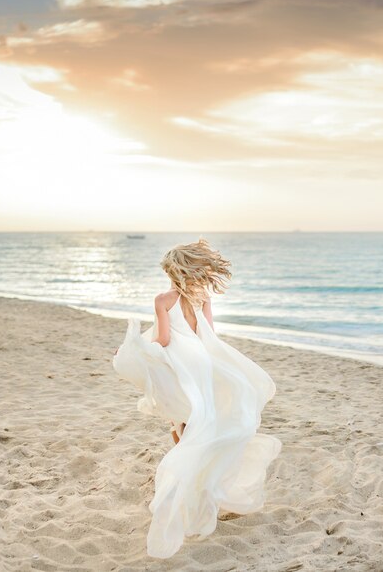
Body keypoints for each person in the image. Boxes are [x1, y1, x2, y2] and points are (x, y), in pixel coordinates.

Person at [113, 237, 282, 559]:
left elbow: (163, 339)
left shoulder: (163, 299)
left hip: (179, 362)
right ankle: (202, 483)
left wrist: (132, 350)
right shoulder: (202, 297)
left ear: (173, 271)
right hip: (202, 361)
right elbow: (210, 335)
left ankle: (188, 483)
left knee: (183, 419)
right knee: (202, 419)